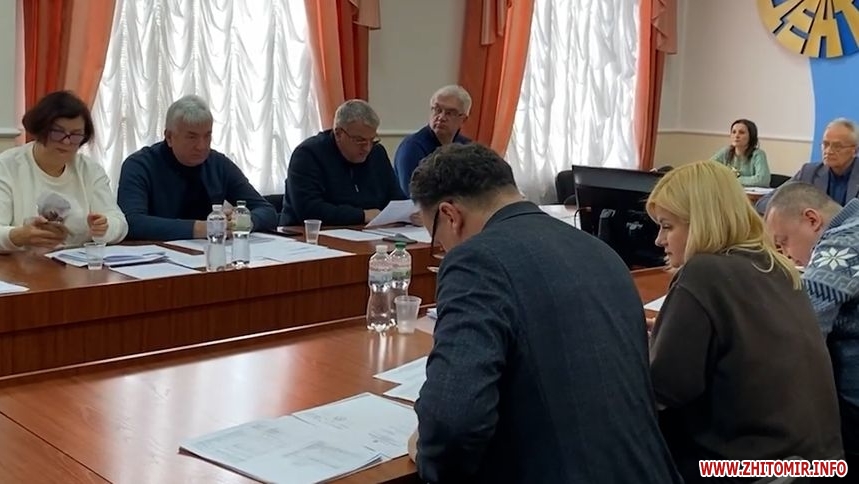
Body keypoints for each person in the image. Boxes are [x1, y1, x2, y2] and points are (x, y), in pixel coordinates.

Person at [406, 143, 681, 483]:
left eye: (437, 240)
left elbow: (453, 421)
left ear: (450, 215)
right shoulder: (600, 251)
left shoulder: (476, 259)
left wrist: (428, 453)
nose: (444, 250)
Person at [647, 162, 843, 483]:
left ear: (702, 223)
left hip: (754, 469)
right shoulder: (778, 267)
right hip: (820, 465)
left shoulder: (703, 272)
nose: (659, 240)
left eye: (667, 226)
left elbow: (664, 388)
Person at [764, 181, 859, 473]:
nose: (786, 255)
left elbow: (803, 331)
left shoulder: (840, 244)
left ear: (812, 220)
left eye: (783, 242)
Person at [117, 95, 277, 241]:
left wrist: (244, 221)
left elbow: (267, 210)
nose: (201, 146)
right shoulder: (139, 165)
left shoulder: (218, 164)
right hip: (156, 256)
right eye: (191, 137)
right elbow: (132, 222)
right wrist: (201, 228)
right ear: (169, 137)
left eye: (207, 136)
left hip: (211, 253)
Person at [0, 91, 127, 251]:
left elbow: (120, 223)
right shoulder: (7, 166)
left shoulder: (90, 170)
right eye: (58, 132)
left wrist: (105, 227)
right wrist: (18, 236)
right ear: (40, 130)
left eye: (76, 135)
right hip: (23, 263)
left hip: (77, 262)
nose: (66, 142)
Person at [281, 99, 407, 226]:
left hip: (368, 232)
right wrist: (362, 215)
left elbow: (396, 199)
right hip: (307, 234)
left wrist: (409, 213)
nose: (367, 148)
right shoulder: (308, 155)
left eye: (372, 140)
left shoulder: (377, 153)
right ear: (338, 133)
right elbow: (309, 210)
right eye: (360, 140)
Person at [756, 117, 859, 213]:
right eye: (825, 144)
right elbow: (764, 203)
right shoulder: (809, 172)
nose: (828, 151)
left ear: (855, 150)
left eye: (837, 146)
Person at [393, 85, 471, 196]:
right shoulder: (412, 148)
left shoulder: (467, 147)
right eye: (437, 110)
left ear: (463, 120)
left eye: (450, 113)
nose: (441, 117)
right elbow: (414, 196)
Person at [710, 118, 771, 187]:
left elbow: (762, 180)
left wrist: (731, 179)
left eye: (741, 132)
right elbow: (707, 168)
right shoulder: (726, 151)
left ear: (751, 136)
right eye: (734, 132)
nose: (736, 136)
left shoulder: (758, 154)